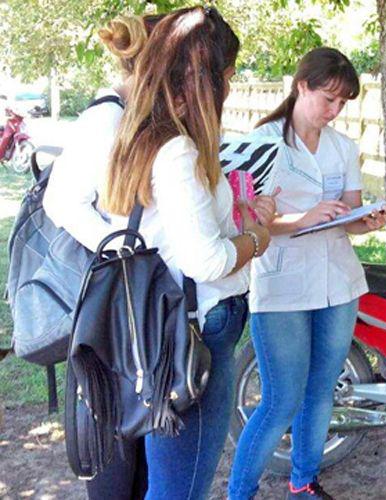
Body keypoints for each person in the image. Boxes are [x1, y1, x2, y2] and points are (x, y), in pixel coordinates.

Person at [99, 7, 273, 499]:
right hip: (195, 331)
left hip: (167, 326)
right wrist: (259, 235)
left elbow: (171, 235)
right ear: (202, 76)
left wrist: (229, 208)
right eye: (227, 75)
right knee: (182, 489)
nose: (231, 87)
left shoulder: (141, 137)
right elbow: (207, 261)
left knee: (172, 482)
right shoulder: (176, 151)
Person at [228, 47, 386, 500]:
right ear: (302, 85)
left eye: (343, 103)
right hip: (282, 287)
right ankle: (239, 493)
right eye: (328, 99)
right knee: (281, 401)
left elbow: (351, 216)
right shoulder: (261, 143)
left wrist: (369, 220)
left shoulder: (344, 146)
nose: (335, 111)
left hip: (338, 283)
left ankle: (303, 482)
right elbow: (245, 223)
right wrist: (302, 218)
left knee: (322, 392)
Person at [44, 14, 163, 500]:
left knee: (139, 439)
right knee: (114, 439)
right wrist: (119, 250)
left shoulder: (143, 115)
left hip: (136, 298)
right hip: (110, 299)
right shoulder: (108, 117)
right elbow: (61, 201)